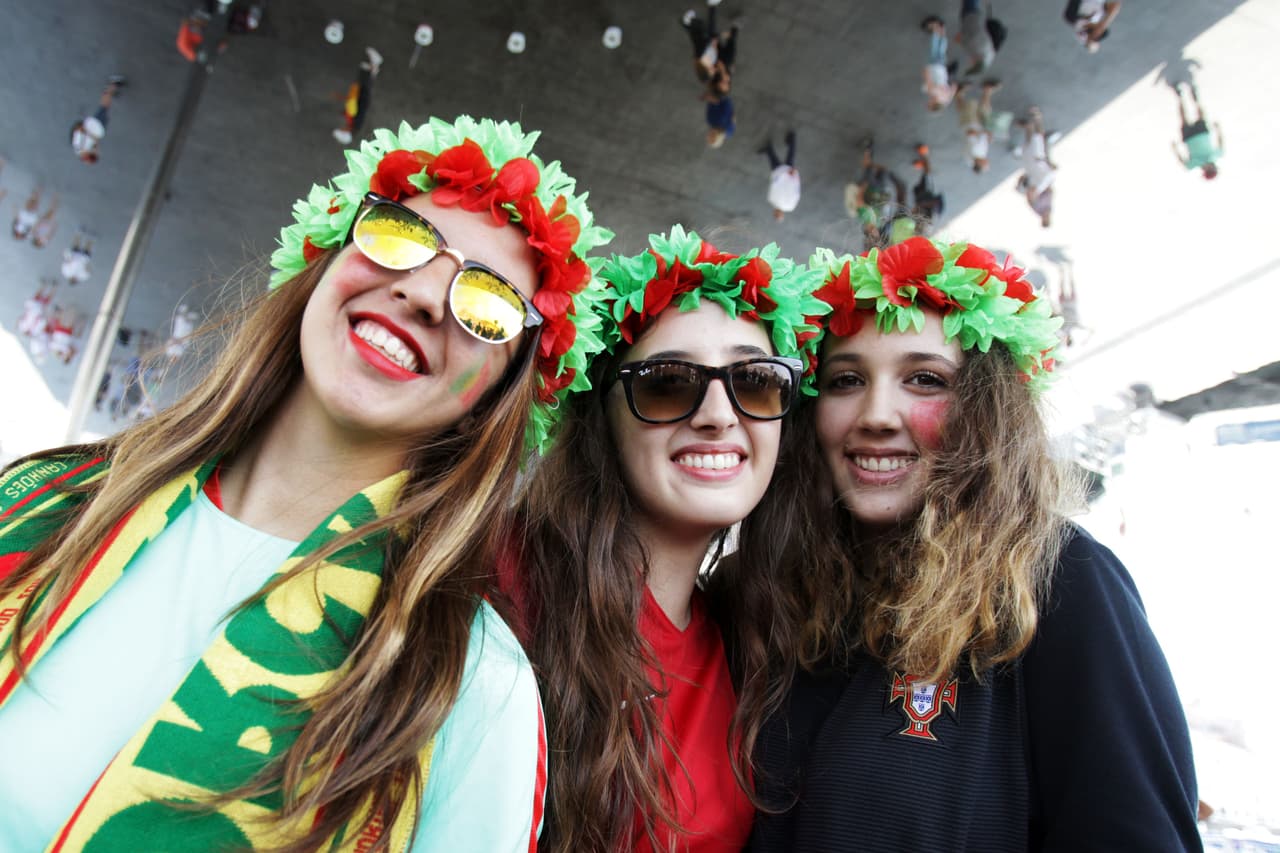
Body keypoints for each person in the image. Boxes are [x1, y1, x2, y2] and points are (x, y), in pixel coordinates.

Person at [0, 114, 613, 851]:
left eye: (486, 304)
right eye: (400, 235)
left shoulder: (474, 686)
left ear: (500, 392)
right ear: (326, 259)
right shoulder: (45, 499)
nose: (422, 294)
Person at [746, 236, 1201, 851]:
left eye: (925, 379)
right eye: (846, 379)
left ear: (986, 411)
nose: (876, 414)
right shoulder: (776, 585)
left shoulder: (1061, 579)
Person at [515, 227, 828, 852]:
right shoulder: (506, 589)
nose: (718, 414)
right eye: (667, 382)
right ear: (599, 416)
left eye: (756, 381)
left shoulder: (756, 635)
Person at [1171, 80, 1223, 180]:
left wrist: (1175, 149)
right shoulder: (1216, 156)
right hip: (1202, 134)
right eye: (1213, 169)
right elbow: (1220, 143)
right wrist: (1218, 129)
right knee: (1201, 115)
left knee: (1183, 118)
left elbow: (1181, 160)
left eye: (1210, 169)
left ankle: (1180, 97)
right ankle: (1196, 99)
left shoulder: (1192, 165)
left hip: (1189, 138)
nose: (1211, 167)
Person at [70, 76, 127, 164]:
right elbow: (94, 144)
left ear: (86, 156)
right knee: (105, 108)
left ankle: (112, 85)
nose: (96, 152)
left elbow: (79, 130)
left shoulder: (79, 146)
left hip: (94, 124)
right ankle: (110, 92)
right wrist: (96, 144)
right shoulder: (87, 149)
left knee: (104, 106)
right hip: (99, 128)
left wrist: (94, 137)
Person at [1016, 106, 1057, 228]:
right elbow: (1050, 191)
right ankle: (1036, 119)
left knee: (1032, 145)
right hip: (1040, 166)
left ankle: (1029, 127)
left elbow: (1031, 197)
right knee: (1038, 141)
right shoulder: (1047, 205)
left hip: (1035, 168)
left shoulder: (1038, 207)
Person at [333, 48, 382, 144]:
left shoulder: (352, 123)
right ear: (347, 132)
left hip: (361, 97)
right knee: (366, 82)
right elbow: (355, 105)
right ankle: (375, 63)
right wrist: (342, 97)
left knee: (365, 81)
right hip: (362, 97)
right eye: (342, 129)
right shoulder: (356, 123)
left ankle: (371, 68)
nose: (342, 127)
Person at [759, 130, 800, 221]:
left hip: (780, 176)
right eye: (777, 214)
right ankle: (792, 139)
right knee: (789, 157)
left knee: (777, 161)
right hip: (788, 177)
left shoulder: (773, 201)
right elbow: (796, 192)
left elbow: (774, 186)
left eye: (775, 214)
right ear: (781, 214)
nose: (776, 213)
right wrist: (795, 177)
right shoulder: (789, 205)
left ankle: (769, 149)